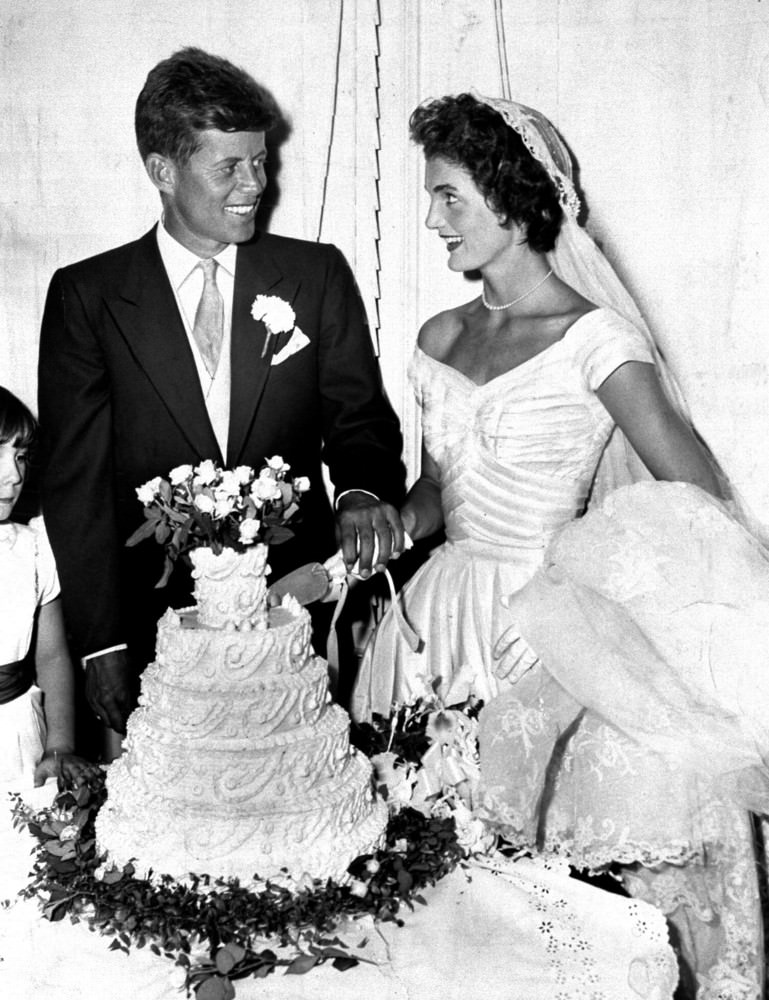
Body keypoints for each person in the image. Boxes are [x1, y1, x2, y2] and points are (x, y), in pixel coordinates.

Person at [352, 92, 769, 998]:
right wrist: (392, 525)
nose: (432, 219)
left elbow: (694, 499)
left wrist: (582, 591)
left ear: (511, 201)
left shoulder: (596, 341)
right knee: (425, 888)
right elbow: (437, 491)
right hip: (434, 621)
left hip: (537, 636)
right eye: (431, 197)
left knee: (542, 899)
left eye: (449, 196)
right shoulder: (438, 336)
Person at [37, 48, 406, 742]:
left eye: (260, 161)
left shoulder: (315, 274)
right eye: (229, 166)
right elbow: (75, 485)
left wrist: (360, 493)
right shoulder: (88, 297)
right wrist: (101, 641)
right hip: (153, 628)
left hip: (299, 610)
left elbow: (359, 419)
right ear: (163, 172)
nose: (254, 184)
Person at [0, 387, 99, 790]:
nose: (14, 475)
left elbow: (53, 656)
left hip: (18, 734)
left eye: (20, 456)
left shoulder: (33, 548)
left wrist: (59, 746)